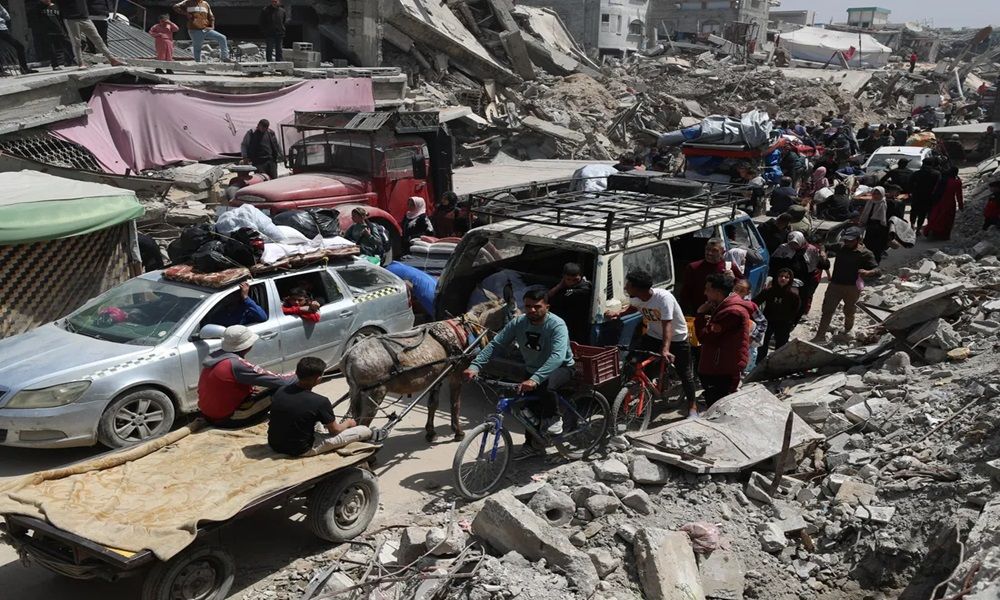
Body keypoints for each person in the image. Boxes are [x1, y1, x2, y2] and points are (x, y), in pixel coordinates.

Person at [464, 288, 574, 436]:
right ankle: (532, 444)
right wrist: (475, 366)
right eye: (528, 306)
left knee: (547, 388)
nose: (532, 310)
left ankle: (555, 418)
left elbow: (557, 356)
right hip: (532, 368)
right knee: (528, 411)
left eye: (537, 306)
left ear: (547, 307)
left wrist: (535, 379)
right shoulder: (518, 322)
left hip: (561, 367)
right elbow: (496, 344)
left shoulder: (556, 325)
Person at [604, 269, 698, 415]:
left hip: (676, 337)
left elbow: (667, 325)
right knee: (635, 363)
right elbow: (633, 307)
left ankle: (692, 407)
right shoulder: (635, 297)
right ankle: (643, 392)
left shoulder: (663, 298)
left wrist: (665, 349)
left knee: (684, 373)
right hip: (653, 335)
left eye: (628, 285)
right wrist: (618, 314)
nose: (625, 287)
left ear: (638, 288)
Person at [198, 324, 296, 427]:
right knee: (283, 389)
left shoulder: (215, 357)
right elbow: (282, 381)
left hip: (209, 415)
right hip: (228, 419)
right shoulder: (236, 364)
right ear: (248, 346)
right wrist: (298, 374)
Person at [267, 357, 365, 457]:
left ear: (296, 373)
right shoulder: (321, 401)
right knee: (364, 431)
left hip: (274, 444)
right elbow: (335, 430)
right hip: (300, 449)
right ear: (318, 379)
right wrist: (348, 423)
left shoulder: (280, 390)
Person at [694, 273, 754, 406]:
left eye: (707, 289)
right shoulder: (724, 307)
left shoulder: (731, 312)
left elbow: (704, 337)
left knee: (718, 405)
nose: (705, 293)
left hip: (721, 369)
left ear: (718, 292)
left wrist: (700, 315)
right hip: (719, 365)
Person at [812, 227, 879, 342]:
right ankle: (820, 336)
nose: (847, 242)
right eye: (846, 240)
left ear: (858, 239)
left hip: (852, 288)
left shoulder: (865, 253)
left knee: (849, 311)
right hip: (835, 285)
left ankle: (848, 330)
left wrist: (868, 272)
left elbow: (878, 270)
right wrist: (822, 252)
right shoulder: (841, 246)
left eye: (850, 240)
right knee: (827, 311)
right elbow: (823, 245)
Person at [770, 231, 828, 322]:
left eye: (795, 244)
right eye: (791, 243)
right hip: (787, 279)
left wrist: (823, 257)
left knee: (802, 299)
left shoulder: (811, 250)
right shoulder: (783, 248)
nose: (793, 246)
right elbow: (774, 262)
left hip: (805, 280)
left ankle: (797, 317)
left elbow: (823, 265)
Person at [678, 238, 743, 315]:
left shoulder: (730, 267)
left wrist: (734, 279)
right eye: (707, 249)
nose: (709, 253)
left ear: (723, 252)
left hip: (724, 312)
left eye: (714, 250)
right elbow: (685, 292)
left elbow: (744, 287)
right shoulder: (693, 267)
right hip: (699, 312)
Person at [54, 0, 123, 67]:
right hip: (72, 19)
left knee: (98, 40)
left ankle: (112, 60)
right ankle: (80, 63)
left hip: (85, 18)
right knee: (76, 43)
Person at [752, 268, 800, 362]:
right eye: (781, 276)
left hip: (784, 323)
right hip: (768, 321)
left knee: (781, 347)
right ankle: (760, 364)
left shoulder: (793, 294)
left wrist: (793, 323)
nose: (783, 278)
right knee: (762, 344)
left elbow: (797, 310)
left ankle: (776, 364)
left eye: (786, 277)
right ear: (776, 277)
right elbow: (754, 303)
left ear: (790, 279)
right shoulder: (769, 291)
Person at [546, 262, 594, 344]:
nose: (571, 282)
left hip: (578, 323)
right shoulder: (563, 286)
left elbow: (550, 298)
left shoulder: (583, 288)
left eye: (575, 280)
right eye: (568, 279)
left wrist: (559, 286)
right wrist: (560, 285)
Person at [734, 279, 767, 376]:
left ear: (748, 293)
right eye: (736, 289)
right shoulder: (727, 302)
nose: (737, 293)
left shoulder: (750, 306)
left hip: (747, 344)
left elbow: (763, 322)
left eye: (741, 291)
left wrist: (752, 337)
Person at [29, 0, 73, 71]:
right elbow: (35, 20)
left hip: (59, 30)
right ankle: (55, 65)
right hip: (47, 32)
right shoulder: (38, 8)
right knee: (51, 49)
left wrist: (64, 29)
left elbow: (61, 19)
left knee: (68, 44)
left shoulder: (56, 6)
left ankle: (71, 60)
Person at [924, 167, 963, 240]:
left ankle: (932, 232)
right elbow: (959, 195)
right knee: (947, 220)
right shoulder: (957, 182)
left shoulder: (943, 180)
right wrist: (961, 206)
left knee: (935, 217)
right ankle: (944, 236)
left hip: (938, 201)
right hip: (950, 203)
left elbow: (935, 190)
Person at [0, 5, 37, 74]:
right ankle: (24, 69)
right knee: (19, 47)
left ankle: (1, 71)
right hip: (2, 29)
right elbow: (7, 17)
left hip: (2, 29)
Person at [909, 157, 941, 235]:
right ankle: (919, 229)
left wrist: (912, 192)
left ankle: (912, 225)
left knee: (914, 210)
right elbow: (939, 186)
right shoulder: (936, 174)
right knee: (923, 213)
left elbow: (910, 184)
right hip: (929, 197)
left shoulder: (916, 173)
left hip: (917, 195)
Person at [859, 186, 890, 263]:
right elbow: (865, 213)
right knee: (867, 245)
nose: (876, 196)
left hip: (880, 228)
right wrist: (862, 221)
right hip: (869, 226)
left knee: (877, 247)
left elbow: (884, 219)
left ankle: (875, 262)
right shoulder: (870, 202)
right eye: (874, 193)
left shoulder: (884, 203)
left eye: (878, 194)